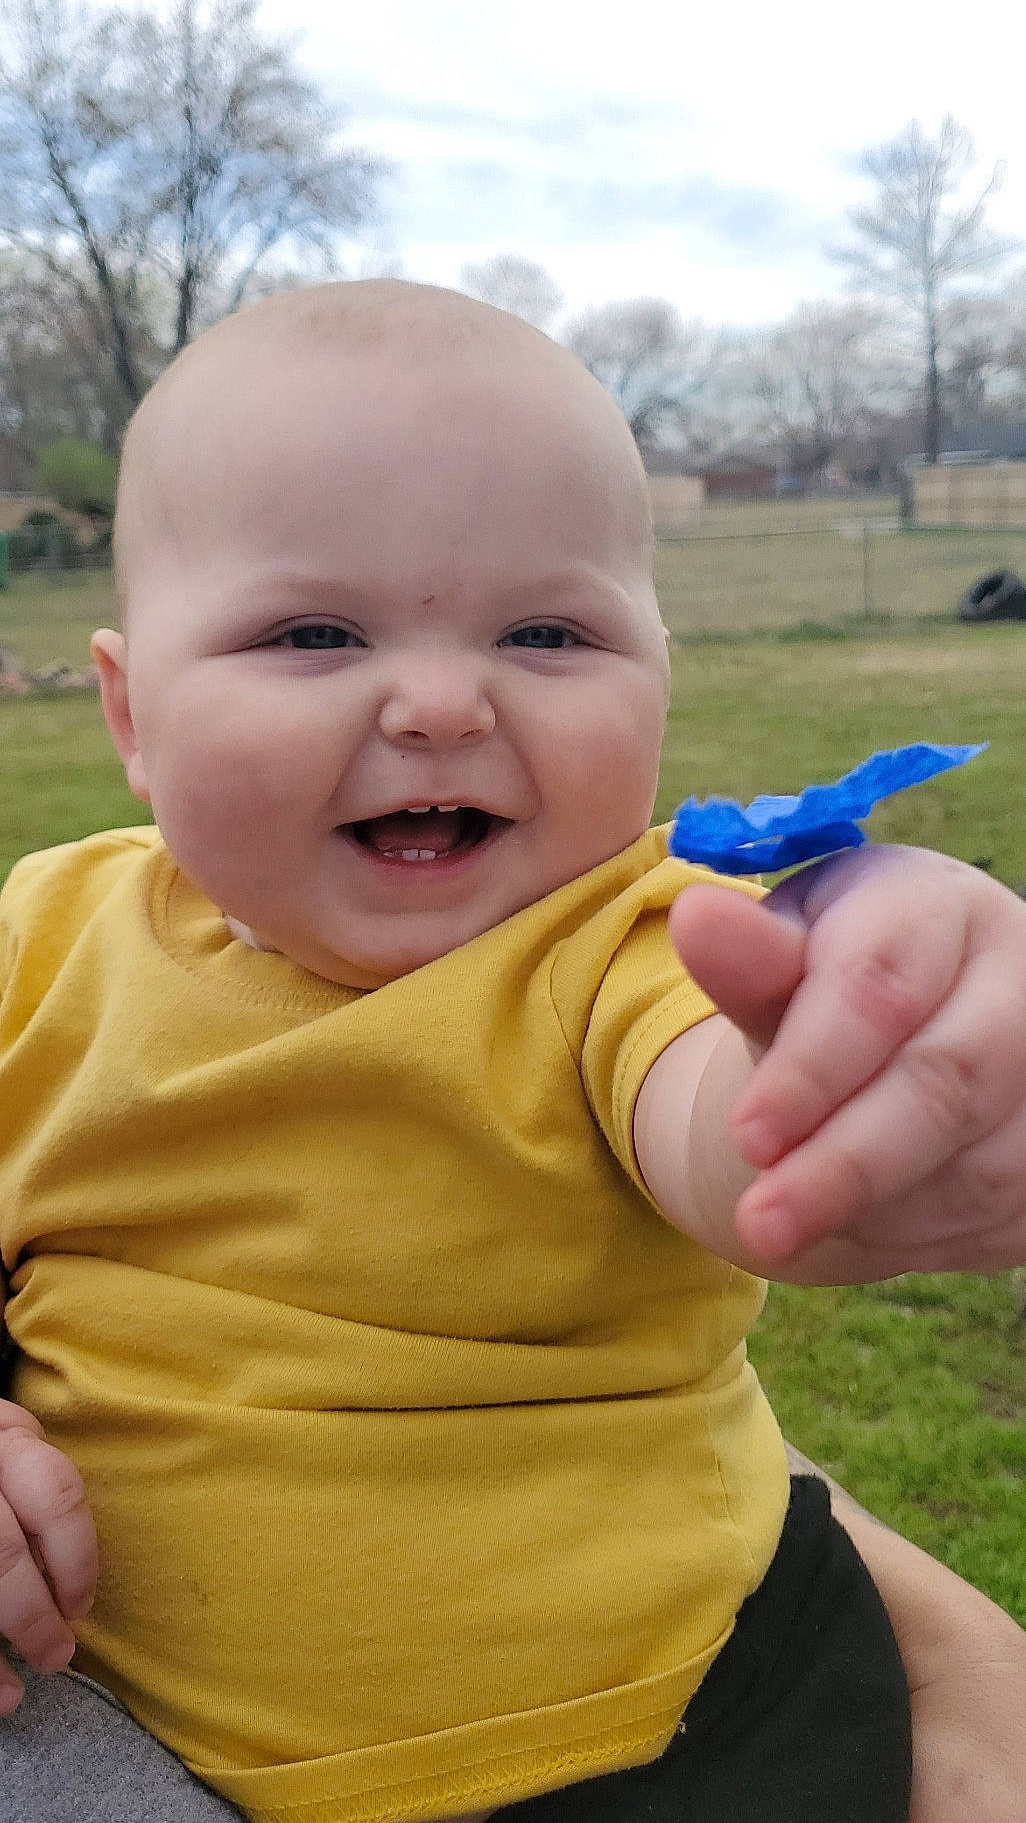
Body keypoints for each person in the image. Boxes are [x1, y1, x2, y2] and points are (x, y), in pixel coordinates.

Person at [1, 280, 1026, 1823]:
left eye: (546, 630)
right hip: (141, 1720)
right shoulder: (44, 936)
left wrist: (837, 1074)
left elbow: (711, 1102)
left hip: (671, 1738)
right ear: (133, 715)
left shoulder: (616, 942)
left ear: (659, 681)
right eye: (313, 631)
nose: (437, 700)